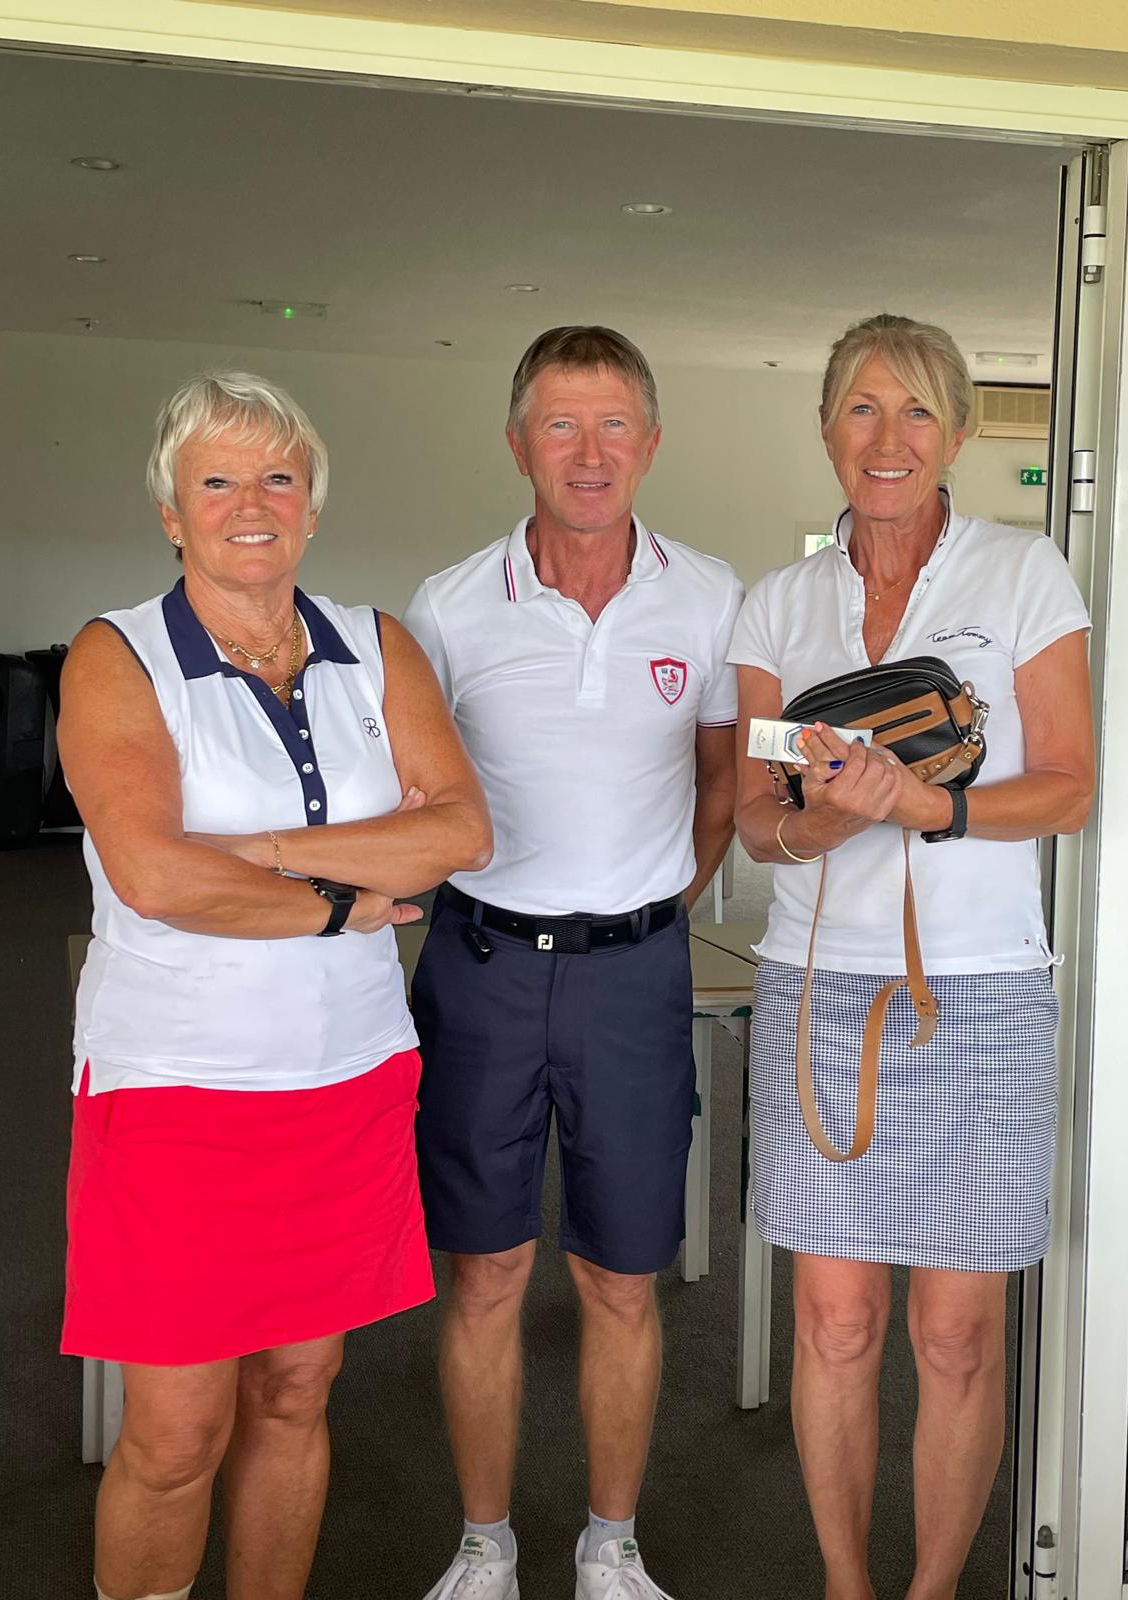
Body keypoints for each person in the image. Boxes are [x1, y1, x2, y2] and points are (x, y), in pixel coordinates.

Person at [58, 370, 492, 1600]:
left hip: (346, 1078)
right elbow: (153, 875)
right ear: (171, 512)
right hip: (178, 1090)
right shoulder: (117, 655)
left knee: (299, 1391)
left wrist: (251, 854)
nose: (252, 503)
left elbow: (460, 831)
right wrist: (346, 900)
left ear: (312, 503)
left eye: (279, 477)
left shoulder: (375, 644)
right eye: (217, 480)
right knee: (175, 1432)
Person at [730, 313, 1094, 1600]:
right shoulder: (779, 603)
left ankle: (933, 1591)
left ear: (959, 432)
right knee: (835, 1323)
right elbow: (756, 822)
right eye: (862, 408)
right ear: (827, 425)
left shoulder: (1023, 572)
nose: (888, 438)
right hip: (815, 990)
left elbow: (1068, 786)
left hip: (983, 993)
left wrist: (922, 803)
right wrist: (835, 814)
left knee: (955, 1335)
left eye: (918, 410)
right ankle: (846, 1584)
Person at [403, 325, 743, 1600]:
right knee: (485, 1270)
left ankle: (612, 1544)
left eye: (612, 426)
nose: (588, 453)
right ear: (518, 444)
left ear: (650, 442)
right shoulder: (449, 605)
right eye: (561, 424)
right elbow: (417, 791)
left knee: (621, 1274)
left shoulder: (711, 596)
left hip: (634, 981)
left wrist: (650, 910)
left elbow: (721, 785)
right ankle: (483, 1544)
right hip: (480, 963)